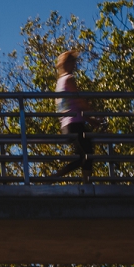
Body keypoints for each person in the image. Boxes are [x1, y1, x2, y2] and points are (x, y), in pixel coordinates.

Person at [50, 50, 95, 181]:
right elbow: (79, 102)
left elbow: (72, 106)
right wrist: (93, 112)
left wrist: (90, 120)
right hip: (75, 123)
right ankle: (86, 183)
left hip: (67, 124)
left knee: (81, 156)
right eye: (73, 62)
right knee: (88, 154)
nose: (75, 65)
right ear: (68, 63)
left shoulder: (59, 83)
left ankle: (56, 176)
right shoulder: (69, 79)